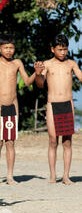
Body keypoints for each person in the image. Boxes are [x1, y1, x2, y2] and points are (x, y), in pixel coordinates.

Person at [0, 34, 39, 185]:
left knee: (10, 142)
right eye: (6, 47)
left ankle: (10, 176)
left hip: (12, 104)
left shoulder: (17, 63)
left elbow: (27, 82)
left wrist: (36, 73)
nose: (9, 50)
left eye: (11, 47)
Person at [35, 34, 81, 185]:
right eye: (60, 49)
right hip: (52, 105)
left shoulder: (72, 64)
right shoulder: (47, 64)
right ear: (52, 49)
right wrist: (37, 73)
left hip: (67, 105)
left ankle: (66, 176)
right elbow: (40, 84)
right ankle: (53, 175)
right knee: (53, 140)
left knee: (67, 142)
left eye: (65, 49)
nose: (63, 53)